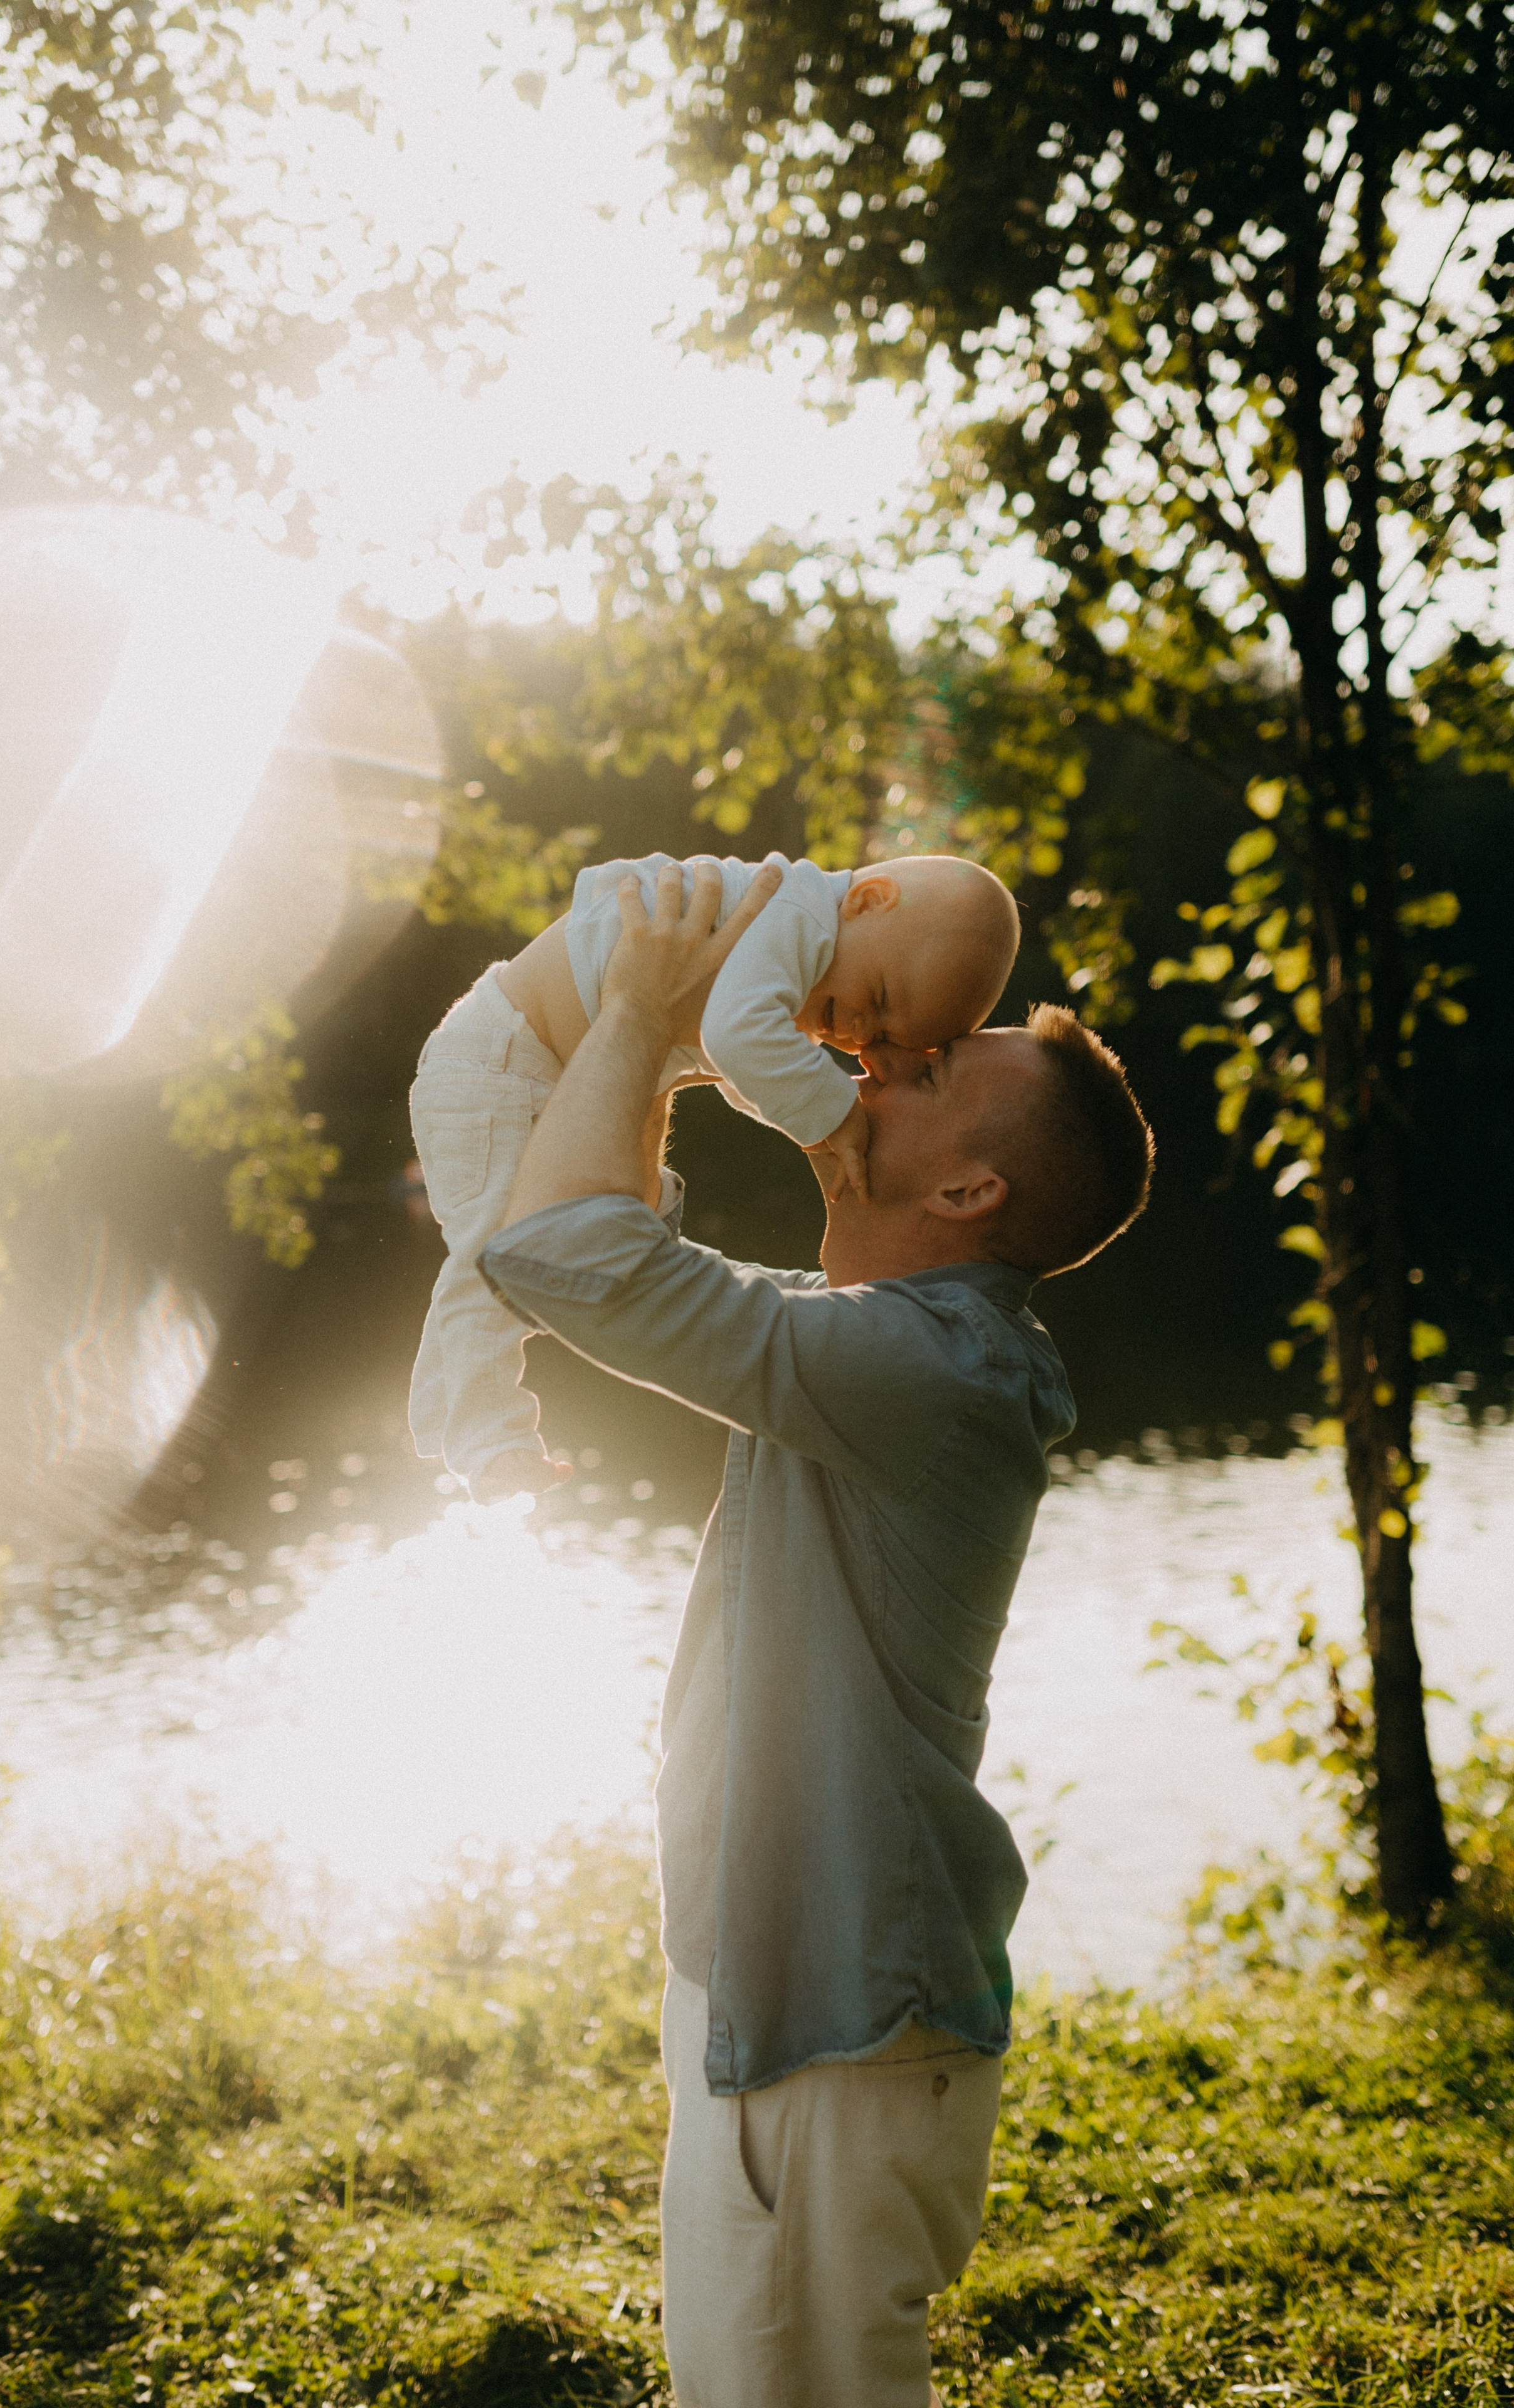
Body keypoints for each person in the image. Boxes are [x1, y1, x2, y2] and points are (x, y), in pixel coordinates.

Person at [477, 863, 1155, 2408]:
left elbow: (561, 1256)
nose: (878, 1058)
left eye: (924, 1073)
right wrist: (670, 1041)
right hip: (787, 1990)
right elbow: (592, 1227)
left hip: (837, 2019)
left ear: (967, 1193)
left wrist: (645, 1011)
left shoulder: (925, 1366)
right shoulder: (881, 1344)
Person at [408, 848, 1019, 1501]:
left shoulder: (795, 946)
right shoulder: (799, 918)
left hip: (518, 1059)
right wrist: (835, 1113)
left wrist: (810, 1118)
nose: (862, 1033)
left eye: (885, 1038)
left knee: (504, 1264)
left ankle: (443, 1413)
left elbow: (739, 1066)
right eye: (879, 998)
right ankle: (489, 1440)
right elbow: (736, 1040)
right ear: (869, 902)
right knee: (496, 1257)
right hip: (503, 1060)